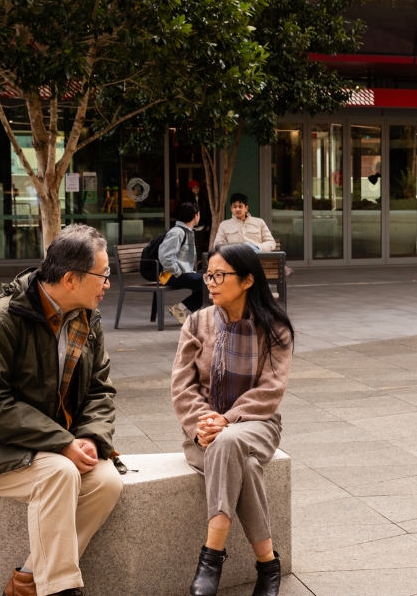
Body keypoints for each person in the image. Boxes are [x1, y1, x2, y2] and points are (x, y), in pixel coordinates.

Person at [0, 224, 122, 596]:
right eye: (103, 274)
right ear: (72, 279)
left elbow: (100, 389)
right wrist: (61, 443)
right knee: (59, 473)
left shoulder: (88, 319)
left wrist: (90, 436)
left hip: (51, 444)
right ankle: (59, 590)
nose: (108, 282)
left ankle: (27, 580)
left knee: (107, 481)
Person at [171, 243, 294, 596]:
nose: (210, 282)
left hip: (257, 425)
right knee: (244, 465)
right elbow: (182, 387)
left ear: (246, 280)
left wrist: (226, 420)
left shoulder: (275, 328)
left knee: (230, 442)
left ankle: (211, 557)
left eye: (220, 275)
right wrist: (203, 423)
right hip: (203, 433)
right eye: (208, 274)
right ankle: (268, 566)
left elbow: (270, 391)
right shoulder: (197, 322)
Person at [160, 201, 205, 323]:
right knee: (208, 282)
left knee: (210, 282)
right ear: (196, 215)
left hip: (182, 273)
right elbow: (165, 257)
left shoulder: (186, 231)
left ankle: (181, 308)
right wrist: (178, 272)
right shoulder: (177, 232)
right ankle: (181, 308)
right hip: (171, 275)